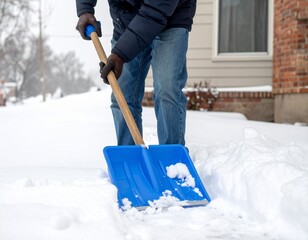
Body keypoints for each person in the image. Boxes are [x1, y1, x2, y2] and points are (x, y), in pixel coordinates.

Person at [75, 0, 196, 146]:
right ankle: (130, 157)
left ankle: (172, 158)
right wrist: (85, 9)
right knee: (123, 94)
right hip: (127, 19)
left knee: (167, 88)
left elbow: (155, 12)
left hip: (171, 17)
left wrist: (120, 54)